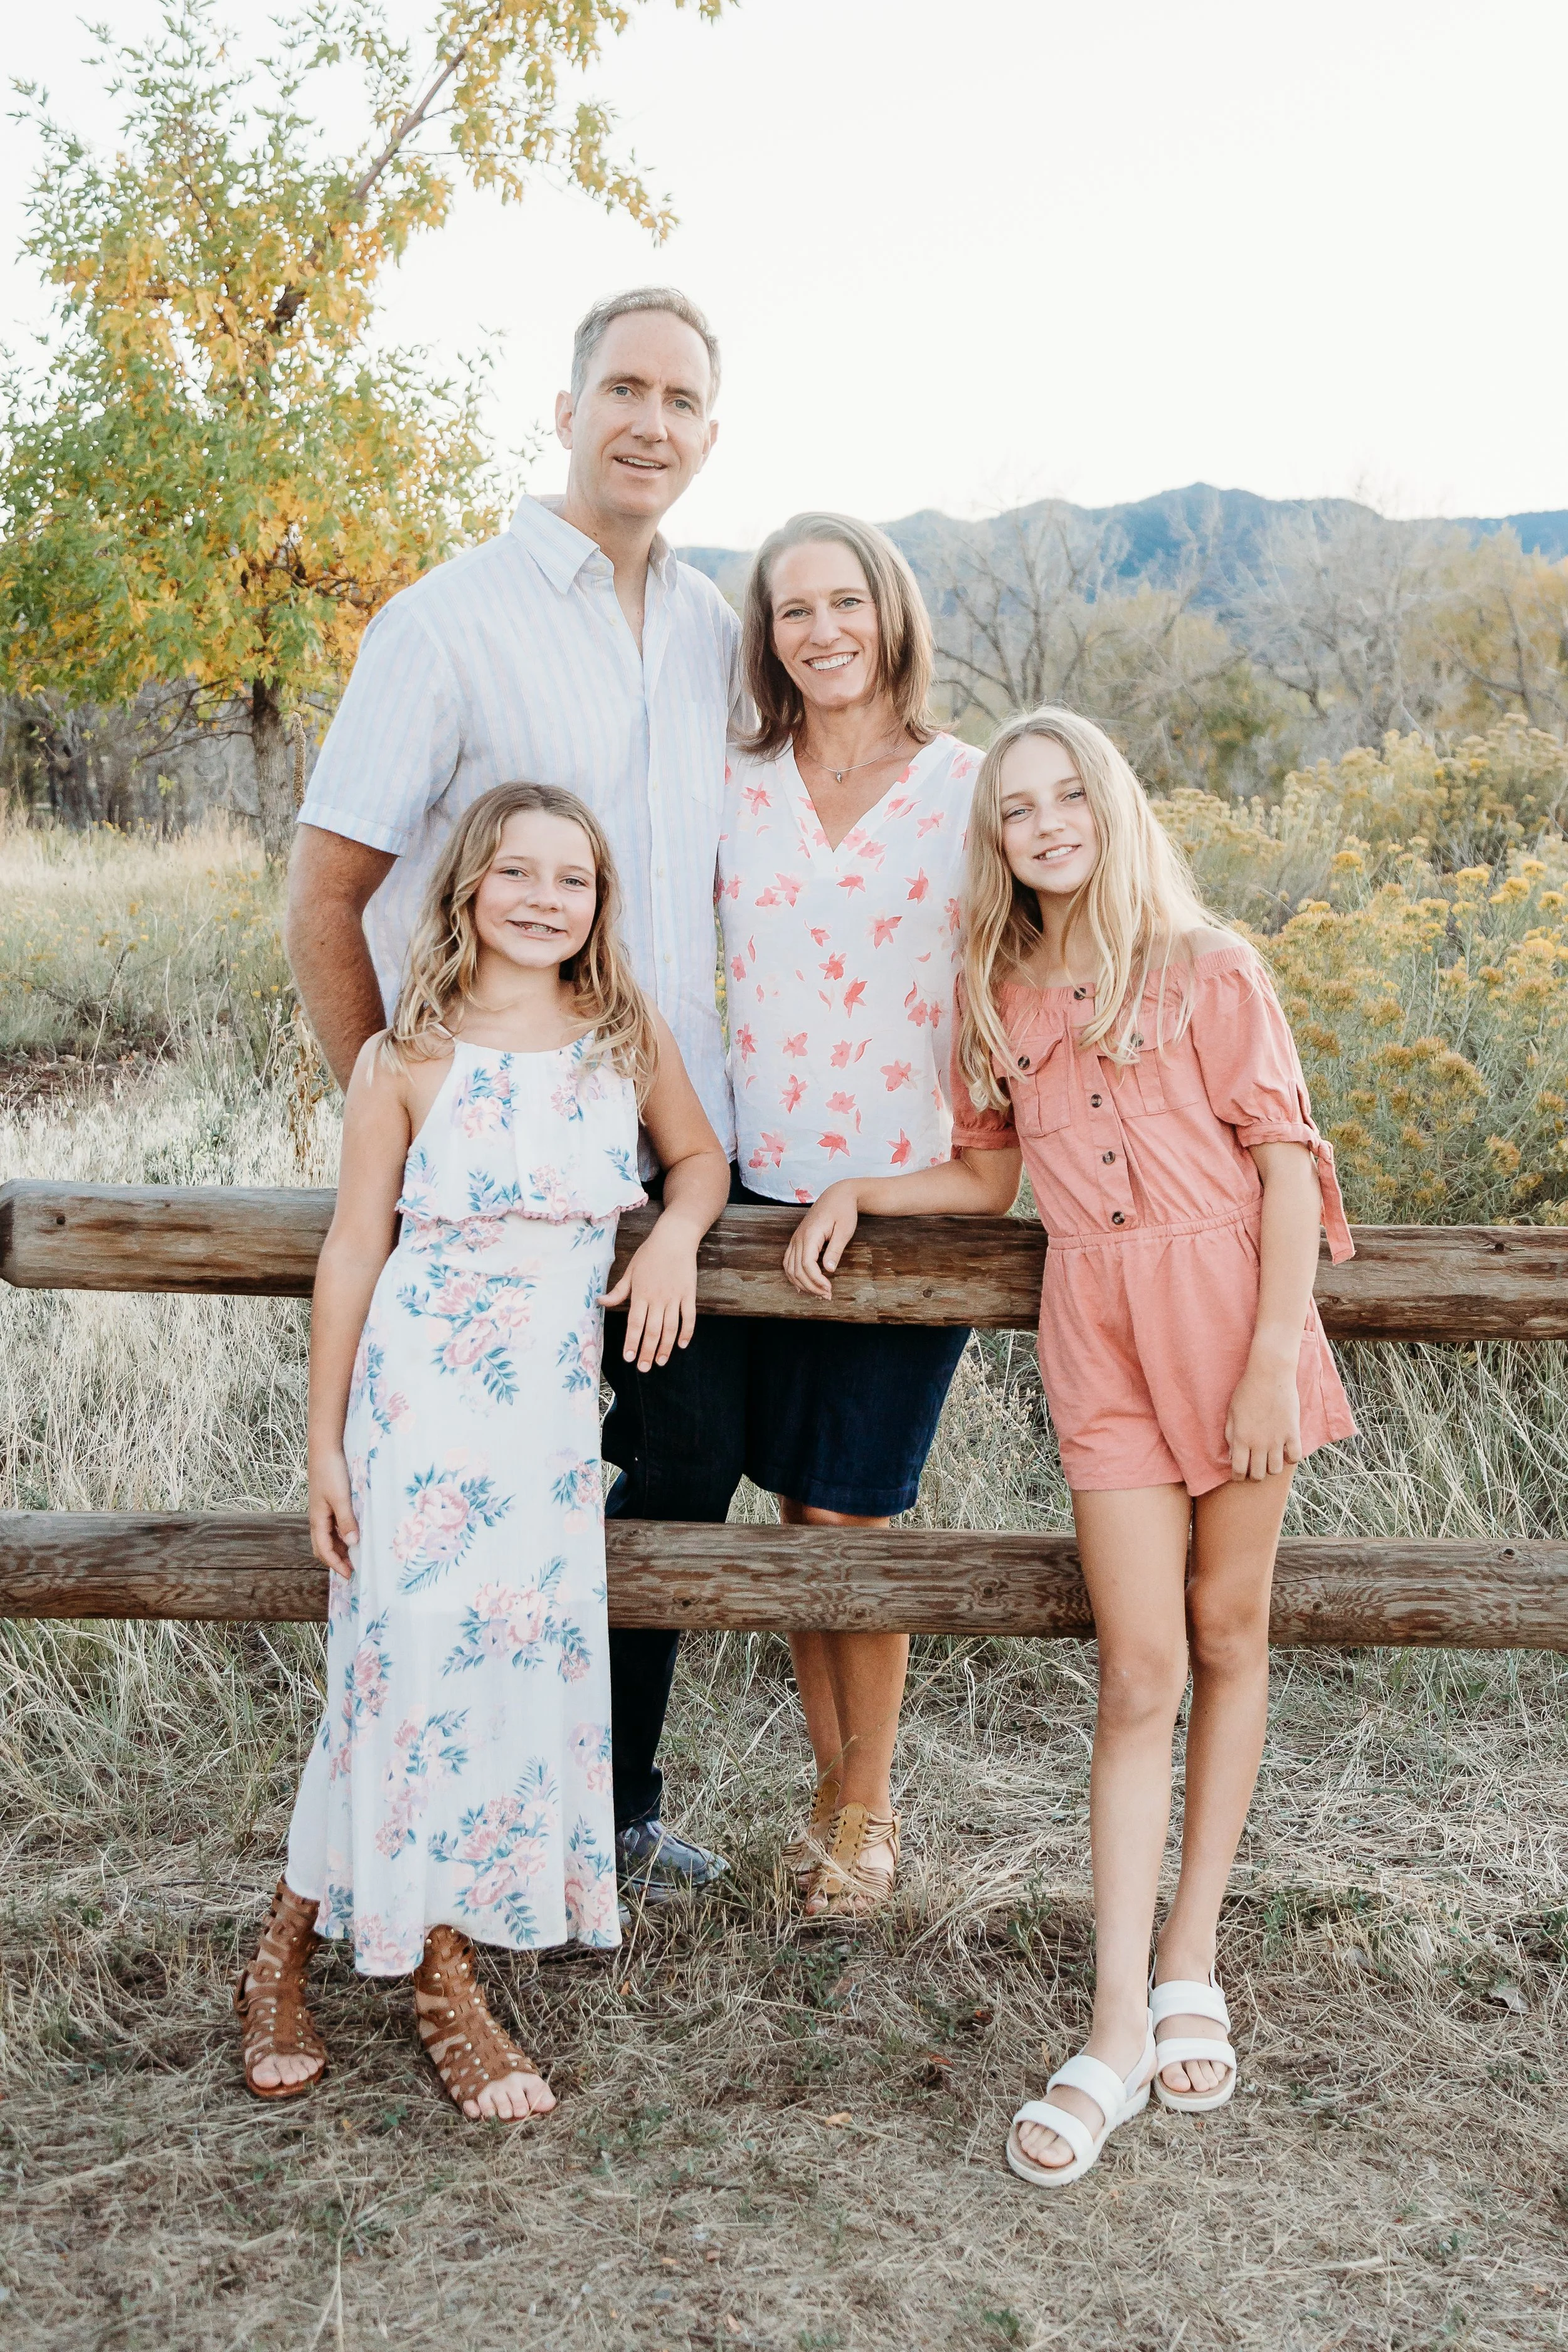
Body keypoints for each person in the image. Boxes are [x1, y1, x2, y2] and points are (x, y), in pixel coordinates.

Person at [785, 706, 1357, 2183]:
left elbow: (1286, 1170)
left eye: (1064, 798)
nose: (1042, 824)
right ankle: (1110, 2024)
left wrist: (1268, 1360)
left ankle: (1187, 1961)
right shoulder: (988, 985)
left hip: (1232, 1318)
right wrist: (863, 1188)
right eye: (1014, 808)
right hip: (1096, 1334)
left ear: (1108, 806)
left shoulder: (1208, 969)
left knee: (1228, 1632)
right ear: (994, 835)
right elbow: (987, 1179)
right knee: (1136, 1667)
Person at [287, 287, 744, 1901]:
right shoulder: (444, 621)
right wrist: (402, 1120)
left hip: (667, 1172)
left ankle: (599, 1806)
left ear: (708, 434)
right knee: (449, 1521)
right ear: (563, 409)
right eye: (622, 388)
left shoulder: (712, 630)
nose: (649, 422)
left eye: (682, 401)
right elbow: (322, 898)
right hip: (478, 1196)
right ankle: (402, 1843)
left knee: (674, 1469)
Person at [235, 784, 730, 2116]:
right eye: (516, 872)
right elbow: (354, 1250)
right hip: (417, 1407)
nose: (541, 898)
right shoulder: (404, 1056)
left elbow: (696, 1160)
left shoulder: (620, 1038)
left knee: (499, 1682)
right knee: (399, 1675)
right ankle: (441, 1982)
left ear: (597, 907)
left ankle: (282, 1950)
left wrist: (678, 1233)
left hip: (547, 1426)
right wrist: (323, 1446)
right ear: (468, 888)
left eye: (570, 880)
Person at [719, 513, 980, 1919]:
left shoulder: (967, 785)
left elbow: (1057, 944)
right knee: (792, 1505)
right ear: (765, 637)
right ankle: (832, 1798)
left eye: (843, 603)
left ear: (889, 614)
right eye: (790, 611)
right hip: (760, 1190)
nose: (820, 632)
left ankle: (865, 1820)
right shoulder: (735, 779)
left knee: (854, 1516)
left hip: (902, 1196)